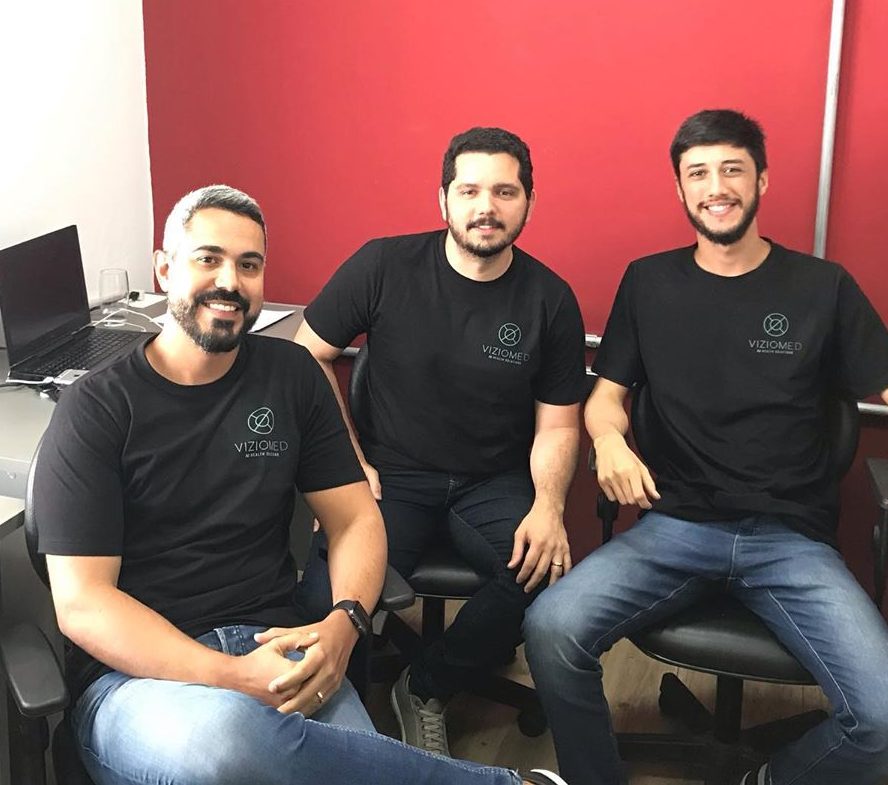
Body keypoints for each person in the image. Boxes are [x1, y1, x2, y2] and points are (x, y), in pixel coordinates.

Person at [33, 183, 574, 785]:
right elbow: (83, 605)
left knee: (315, 760)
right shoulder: (97, 407)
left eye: (249, 265)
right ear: (164, 270)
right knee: (227, 744)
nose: (230, 282)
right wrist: (231, 676)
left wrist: (345, 623)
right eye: (208, 258)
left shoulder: (290, 375)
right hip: (137, 679)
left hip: (277, 643)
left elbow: (355, 519)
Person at [524, 109, 888, 785]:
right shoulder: (649, 281)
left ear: (762, 181)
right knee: (550, 627)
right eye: (698, 173)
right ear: (680, 188)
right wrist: (610, 440)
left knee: (883, 720)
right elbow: (605, 396)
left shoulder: (823, 287)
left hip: (791, 538)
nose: (715, 187)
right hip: (675, 524)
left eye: (731, 170)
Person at [295, 127, 587, 755]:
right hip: (392, 474)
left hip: (493, 480)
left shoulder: (551, 300)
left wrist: (549, 505)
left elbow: (560, 424)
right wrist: (348, 465)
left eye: (505, 191)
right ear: (443, 200)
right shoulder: (383, 265)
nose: (487, 207)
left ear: (528, 203)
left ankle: (426, 684)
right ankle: (337, 735)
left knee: (546, 573)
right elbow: (308, 355)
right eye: (470, 190)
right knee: (324, 595)